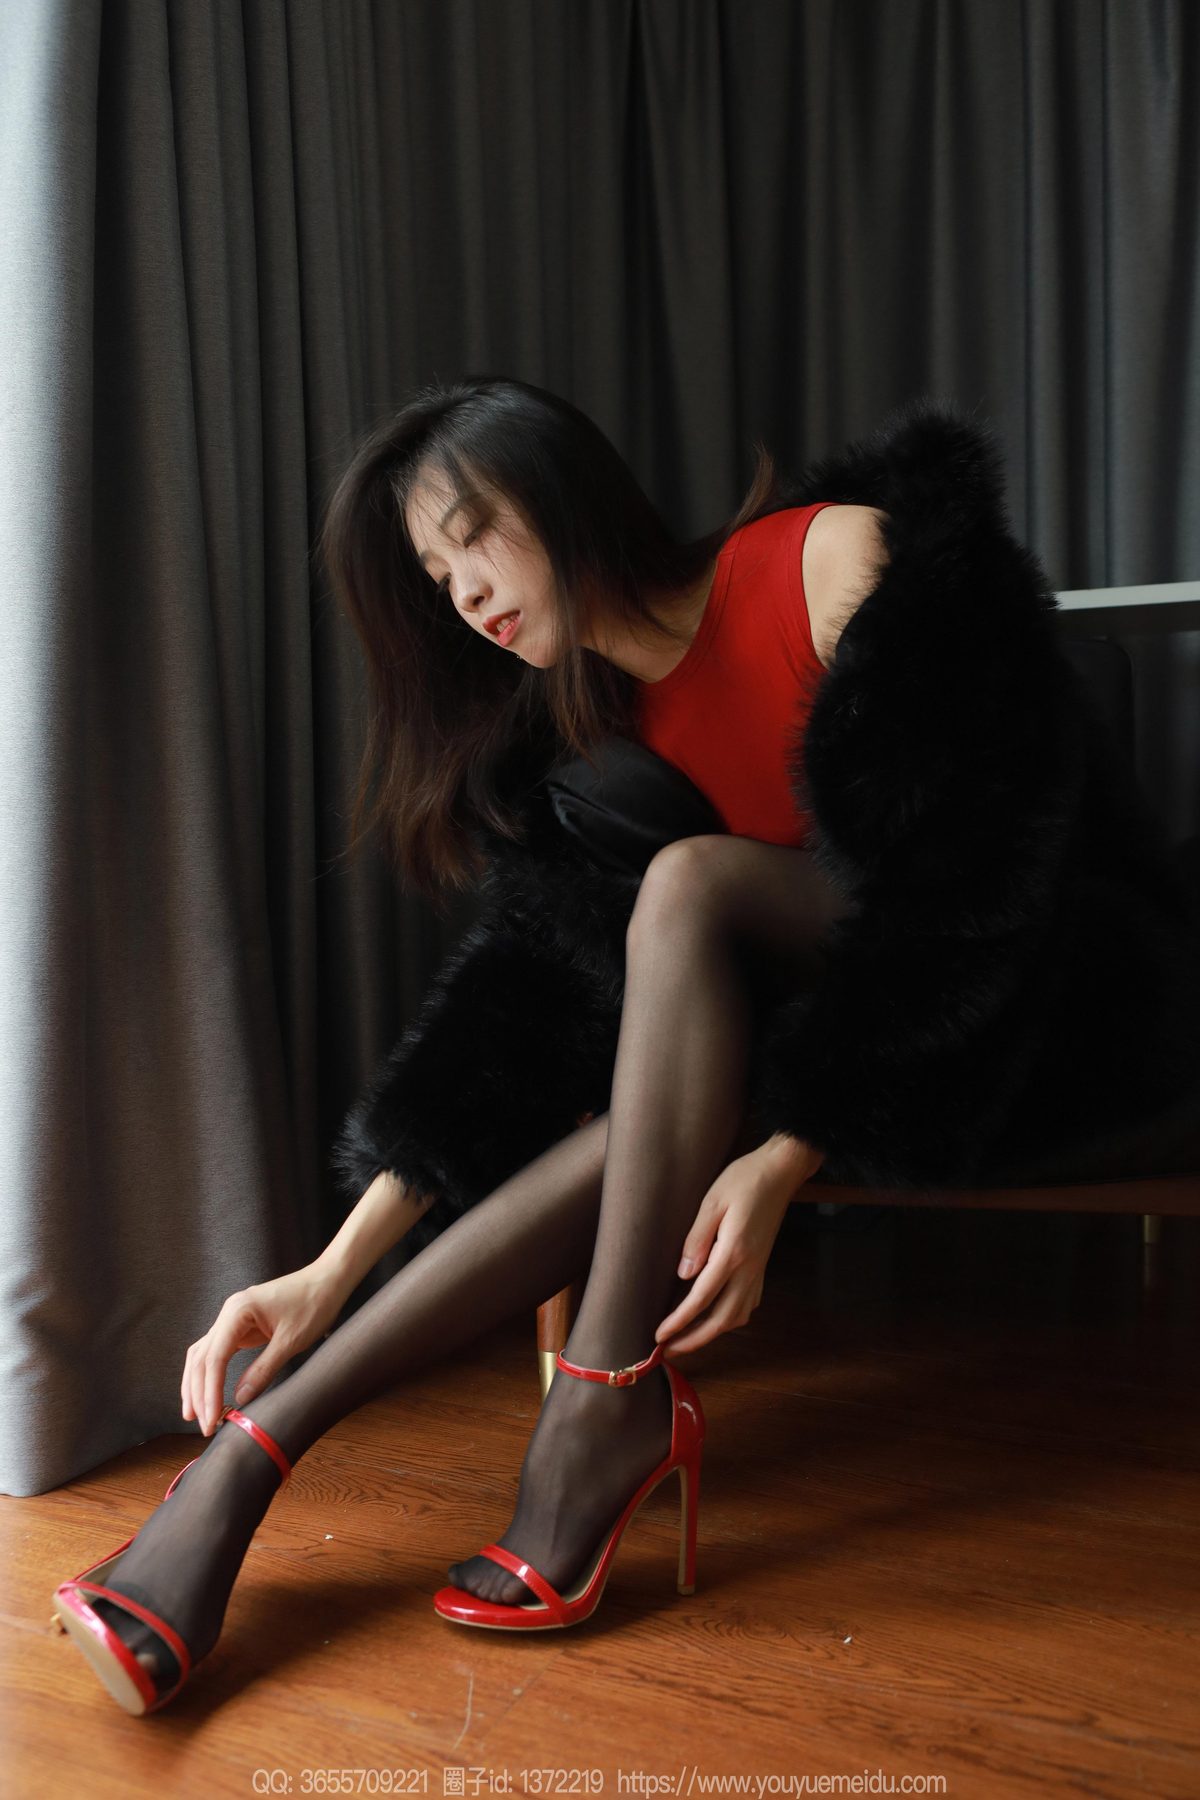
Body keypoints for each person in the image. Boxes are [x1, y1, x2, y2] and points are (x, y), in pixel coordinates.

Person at [52, 378, 1200, 1711]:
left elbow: (982, 884)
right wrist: (331, 1265)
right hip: (835, 1057)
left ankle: (587, 1405)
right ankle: (258, 1456)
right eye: (436, 576)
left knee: (694, 886)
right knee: (650, 1061)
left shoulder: (837, 560)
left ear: (562, 489)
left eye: (473, 537)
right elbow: (514, 1025)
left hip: (1066, 1013)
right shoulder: (590, 742)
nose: (465, 592)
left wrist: (792, 1148)